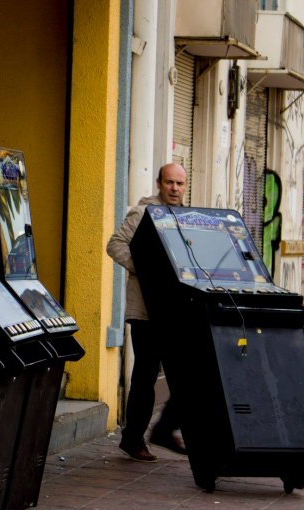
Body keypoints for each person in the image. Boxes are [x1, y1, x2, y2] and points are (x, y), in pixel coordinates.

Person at [106, 162, 188, 462]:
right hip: (146, 311)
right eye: (169, 182)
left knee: (187, 369)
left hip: (175, 311)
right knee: (146, 374)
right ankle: (134, 438)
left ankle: (164, 428)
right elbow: (114, 245)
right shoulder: (143, 213)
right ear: (159, 183)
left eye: (180, 183)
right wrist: (145, 270)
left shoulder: (187, 217)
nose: (175, 188)